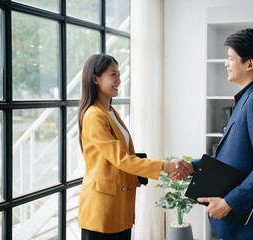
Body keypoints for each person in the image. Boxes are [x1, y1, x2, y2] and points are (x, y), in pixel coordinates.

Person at [174, 28, 253, 239]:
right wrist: (193, 167)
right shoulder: (248, 97)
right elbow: (235, 157)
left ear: (249, 64)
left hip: (247, 223)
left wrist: (229, 203)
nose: (226, 63)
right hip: (236, 224)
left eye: (230, 58)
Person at [77, 54, 193, 240]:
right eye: (113, 75)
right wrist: (166, 166)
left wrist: (134, 175)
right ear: (95, 78)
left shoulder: (110, 112)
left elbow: (120, 157)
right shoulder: (94, 115)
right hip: (102, 209)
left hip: (119, 205)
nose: (118, 80)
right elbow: (121, 159)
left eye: (119, 74)